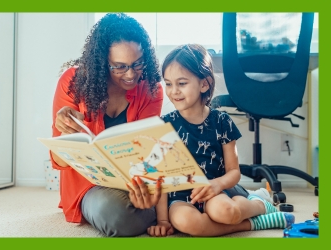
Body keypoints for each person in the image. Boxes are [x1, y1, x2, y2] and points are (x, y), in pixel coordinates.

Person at [147, 44, 295, 237]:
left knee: (227, 212)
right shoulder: (164, 126)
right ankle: (256, 224)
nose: (173, 91)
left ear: (204, 84)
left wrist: (216, 185)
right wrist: (163, 220)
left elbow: (234, 172)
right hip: (180, 198)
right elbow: (161, 178)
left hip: (214, 192)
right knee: (187, 223)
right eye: (168, 83)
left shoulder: (222, 121)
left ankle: (258, 204)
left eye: (181, 83)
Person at [50, 13, 165, 237]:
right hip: (90, 186)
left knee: (180, 192)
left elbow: (145, 151)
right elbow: (59, 160)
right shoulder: (72, 83)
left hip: (134, 178)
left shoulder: (151, 88)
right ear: (103, 62)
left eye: (138, 64)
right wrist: (64, 131)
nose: (131, 74)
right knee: (116, 215)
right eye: (119, 67)